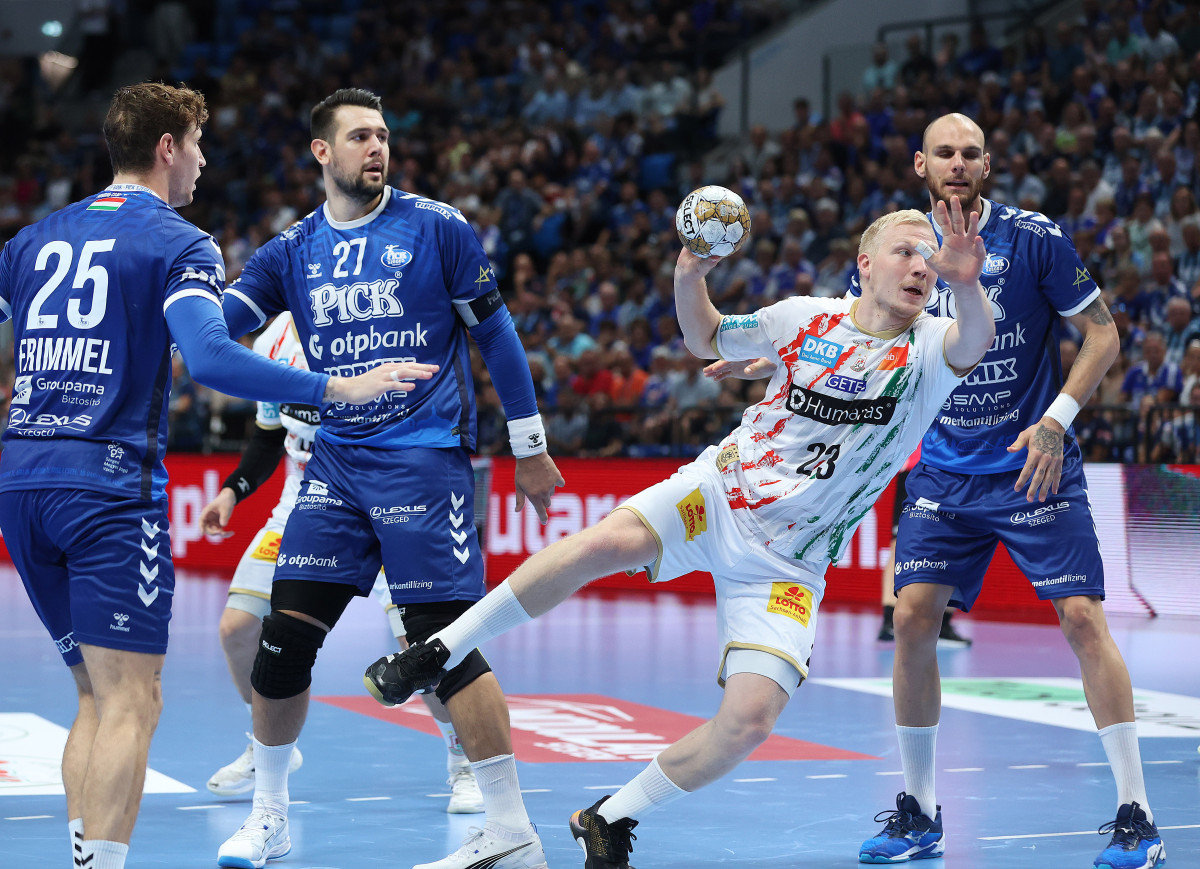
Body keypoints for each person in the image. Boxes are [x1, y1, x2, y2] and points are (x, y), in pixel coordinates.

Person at [363, 202, 996, 868]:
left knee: (749, 721)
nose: (921, 266)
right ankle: (438, 649)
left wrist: (967, 281)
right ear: (865, 264)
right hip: (720, 495)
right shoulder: (802, 318)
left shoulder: (933, 347)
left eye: (929, 258)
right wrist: (689, 276)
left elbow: (975, 338)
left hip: (789, 563)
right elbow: (707, 336)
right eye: (905, 251)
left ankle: (609, 817)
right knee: (603, 543)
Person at [0, 82, 417, 869]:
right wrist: (336, 386)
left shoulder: (32, 238)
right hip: (106, 490)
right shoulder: (178, 241)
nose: (202, 161)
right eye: (196, 144)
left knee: (93, 694)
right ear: (167, 147)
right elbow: (213, 358)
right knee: (131, 699)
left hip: (21, 481)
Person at [216, 88, 563, 869]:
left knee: (444, 643)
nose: (377, 147)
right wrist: (171, 304)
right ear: (322, 152)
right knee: (282, 639)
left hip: (424, 459)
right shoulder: (290, 250)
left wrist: (529, 444)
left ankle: (510, 827)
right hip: (335, 466)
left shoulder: (438, 227)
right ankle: (269, 817)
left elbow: (498, 338)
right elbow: (219, 330)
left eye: (382, 135)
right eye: (359, 136)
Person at [858, 113, 1165, 868]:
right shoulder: (901, 246)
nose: (957, 164)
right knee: (912, 616)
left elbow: (1103, 333)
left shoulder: (1034, 239)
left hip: (1034, 465)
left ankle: (1138, 814)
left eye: (970, 153)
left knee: (1082, 618)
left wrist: (1057, 421)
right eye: (944, 153)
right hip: (943, 471)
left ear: (987, 165)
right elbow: (860, 335)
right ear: (921, 166)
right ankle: (919, 812)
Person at [199, 309, 482, 815]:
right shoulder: (274, 340)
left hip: (389, 497)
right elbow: (269, 434)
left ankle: (462, 760)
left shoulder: (374, 320)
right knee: (237, 629)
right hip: (304, 502)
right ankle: (267, 745)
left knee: (421, 644)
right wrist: (232, 491)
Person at [875, 452, 971, 647]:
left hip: (960, 470)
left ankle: (942, 624)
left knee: (957, 544)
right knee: (901, 543)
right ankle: (890, 621)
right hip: (922, 469)